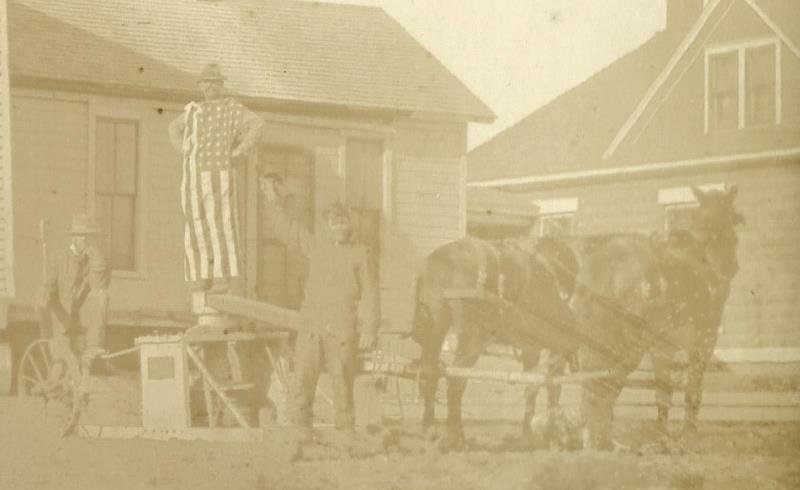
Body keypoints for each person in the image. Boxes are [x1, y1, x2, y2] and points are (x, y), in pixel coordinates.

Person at [260, 173, 380, 458]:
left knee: (341, 380)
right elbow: (287, 230)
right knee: (303, 377)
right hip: (312, 325)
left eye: (343, 222)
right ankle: (301, 436)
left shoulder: (360, 253)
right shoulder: (317, 248)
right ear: (327, 226)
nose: (338, 227)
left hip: (342, 329)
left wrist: (369, 328)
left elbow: (371, 294)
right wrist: (273, 202)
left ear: (350, 224)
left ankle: (345, 437)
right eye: (333, 222)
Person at [168, 63, 264, 293]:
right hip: (194, 175)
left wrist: (239, 151)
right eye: (206, 82)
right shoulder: (193, 111)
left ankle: (221, 276)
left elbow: (257, 125)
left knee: (221, 223)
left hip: (220, 172)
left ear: (221, 85)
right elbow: (173, 127)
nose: (210, 87)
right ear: (201, 85)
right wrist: (184, 150)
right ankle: (202, 275)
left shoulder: (231, 109)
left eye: (214, 82)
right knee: (196, 223)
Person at [37, 212, 110, 379]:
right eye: (82, 236)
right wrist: (52, 323)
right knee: (60, 365)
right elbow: (48, 290)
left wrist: (94, 255)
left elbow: (99, 286)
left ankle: (94, 346)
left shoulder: (94, 260)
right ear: (74, 238)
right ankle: (54, 381)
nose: (85, 240)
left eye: (89, 237)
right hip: (59, 317)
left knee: (102, 294)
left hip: (80, 320)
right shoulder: (59, 257)